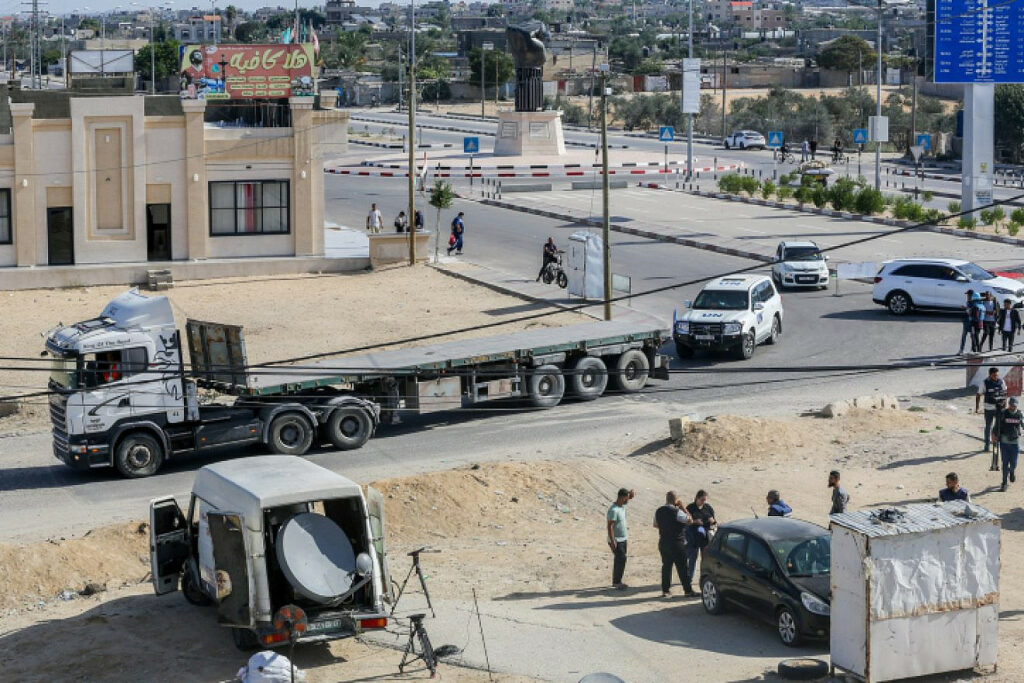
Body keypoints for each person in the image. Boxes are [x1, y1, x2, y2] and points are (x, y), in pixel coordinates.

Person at [653, 491, 692, 597]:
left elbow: (655, 525)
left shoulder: (659, 511)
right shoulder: (677, 511)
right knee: (683, 567)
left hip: (664, 542)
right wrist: (683, 507)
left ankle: (665, 591)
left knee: (666, 566)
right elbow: (690, 521)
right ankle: (688, 591)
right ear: (676, 500)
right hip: (677, 542)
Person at [684, 490, 716, 592]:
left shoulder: (708, 508)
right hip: (693, 538)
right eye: (702, 500)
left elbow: (714, 521)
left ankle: (703, 579)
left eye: (705, 500)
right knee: (692, 559)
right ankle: (689, 579)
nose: (704, 502)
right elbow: (685, 522)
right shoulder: (690, 508)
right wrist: (694, 522)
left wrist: (713, 521)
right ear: (697, 498)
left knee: (705, 560)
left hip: (705, 538)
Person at [607, 488, 634, 590]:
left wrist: (630, 495)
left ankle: (617, 581)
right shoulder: (613, 510)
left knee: (621, 559)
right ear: (622, 498)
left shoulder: (621, 506)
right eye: (626, 498)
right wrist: (613, 540)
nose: (628, 500)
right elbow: (609, 526)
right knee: (621, 559)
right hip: (616, 540)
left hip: (623, 539)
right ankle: (617, 582)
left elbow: (627, 499)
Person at [976, 366, 1007, 453]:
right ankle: (986, 444)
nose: (995, 377)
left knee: (997, 426)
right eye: (994, 375)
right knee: (988, 426)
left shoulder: (1001, 381)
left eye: (997, 375)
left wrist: (1005, 404)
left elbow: (1005, 392)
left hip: (999, 408)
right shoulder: (984, 382)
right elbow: (978, 394)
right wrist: (977, 407)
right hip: (988, 408)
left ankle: (995, 442)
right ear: (989, 375)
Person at [996, 397, 1023, 491]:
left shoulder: (1020, 414)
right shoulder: (1003, 413)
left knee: (1014, 464)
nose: (1013, 407)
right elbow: (997, 425)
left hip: (1015, 444)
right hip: (1004, 443)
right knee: (1004, 463)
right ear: (1009, 404)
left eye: (1014, 405)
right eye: (1011, 405)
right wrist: (994, 435)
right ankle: (1004, 483)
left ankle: (1011, 472)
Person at [958, 290, 977, 355]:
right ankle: (961, 350)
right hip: (966, 322)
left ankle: (972, 350)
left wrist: (965, 308)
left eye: (969, 295)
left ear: (972, 295)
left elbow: (970, 312)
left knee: (972, 337)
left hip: (972, 323)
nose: (968, 296)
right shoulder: (968, 302)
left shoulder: (974, 303)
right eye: (967, 295)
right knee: (963, 336)